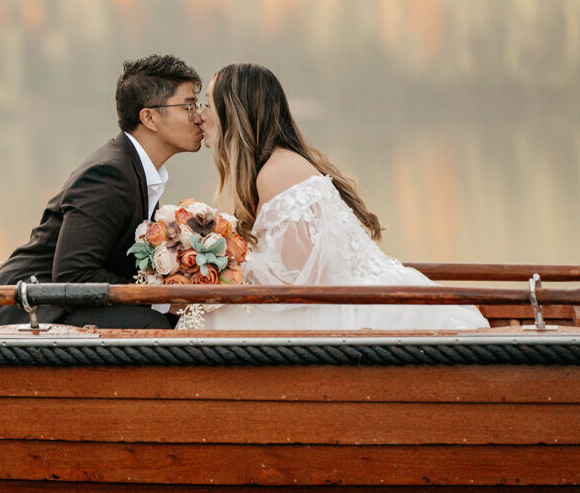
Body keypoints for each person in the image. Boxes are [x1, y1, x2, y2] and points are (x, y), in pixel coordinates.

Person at [192, 63, 489, 330]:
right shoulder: (279, 165)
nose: (201, 116)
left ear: (234, 112)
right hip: (345, 297)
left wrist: (226, 266)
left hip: (352, 308)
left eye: (208, 104)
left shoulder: (276, 173)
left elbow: (304, 277)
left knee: (207, 318)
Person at [0, 54, 205, 329]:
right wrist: (160, 297)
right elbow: (74, 275)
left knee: (181, 318)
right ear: (149, 117)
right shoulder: (108, 176)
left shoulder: (138, 170)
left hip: (57, 306)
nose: (198, 117)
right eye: (188, 106)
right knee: (156, 325)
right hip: (22, 313)